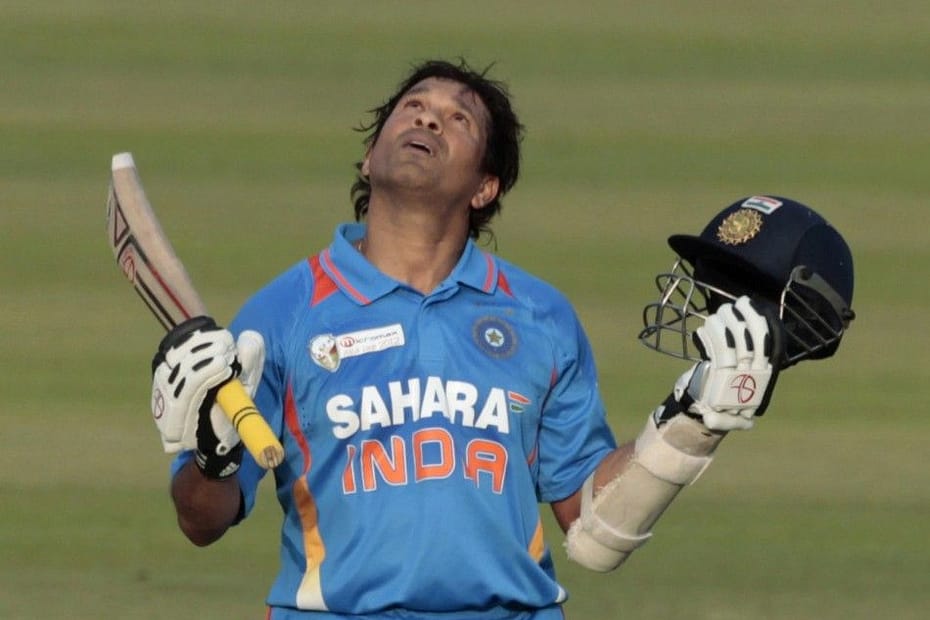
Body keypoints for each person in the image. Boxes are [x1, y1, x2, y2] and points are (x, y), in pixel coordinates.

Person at [149, 59, 855, 619]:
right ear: (369, 157)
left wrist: (697, 421)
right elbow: (201, 522)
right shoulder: (284, 313)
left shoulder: (539, 316)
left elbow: (593, 530)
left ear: (485, 186)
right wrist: (211, 454)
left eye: (457, 118)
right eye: (413, 107)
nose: (428, 117)